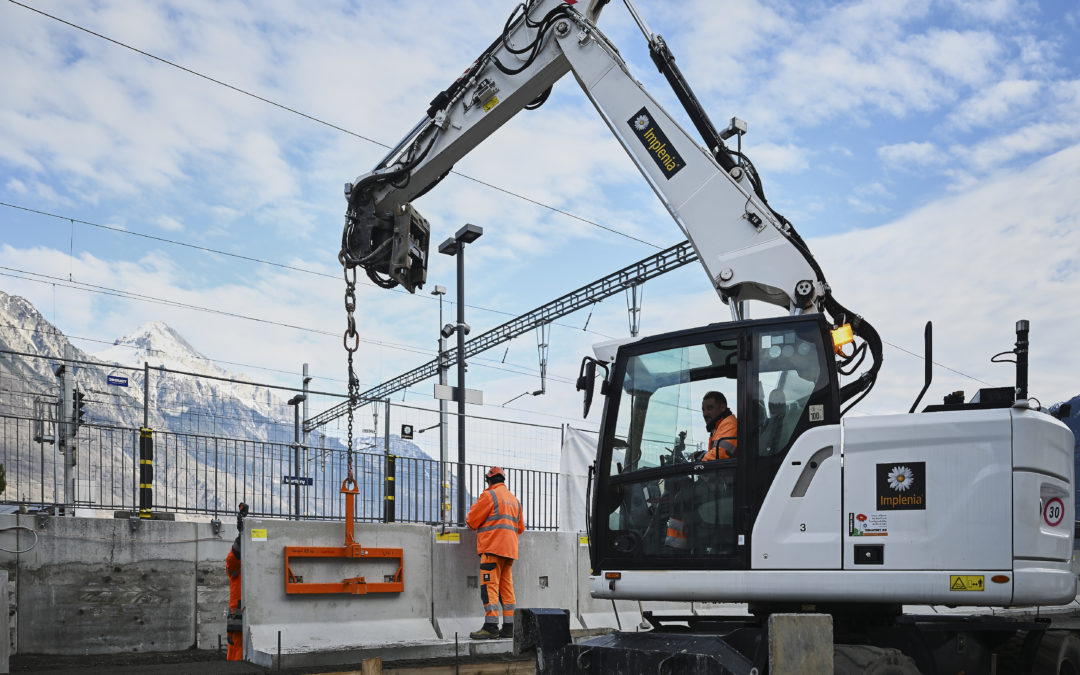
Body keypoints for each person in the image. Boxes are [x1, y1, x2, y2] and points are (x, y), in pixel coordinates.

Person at [466, 466, 525, 640]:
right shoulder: (514, 500)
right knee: (506, 589)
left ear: (489, 480)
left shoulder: (489, 495)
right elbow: (520, 528)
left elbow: (471, 522)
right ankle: (509, 627)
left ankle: (491, 627)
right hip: (509, 551)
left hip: (492, 549)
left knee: (489, 586)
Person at [225, 502, 248, 661]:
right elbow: (232, 561)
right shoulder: (236, 565)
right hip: (239, 618)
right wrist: (241, 537)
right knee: (237, 654)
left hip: (250, 615)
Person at [701, 391, 737, 461]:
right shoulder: (718, 427)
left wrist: (700, 459)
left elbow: (719, 455)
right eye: (703, 410)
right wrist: (703, 454)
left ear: (722, 407)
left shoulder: (730, 424)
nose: (705, 414)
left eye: (709, 408)